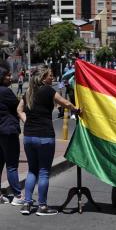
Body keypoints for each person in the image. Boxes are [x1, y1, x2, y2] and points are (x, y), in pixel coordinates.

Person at [17, 65, 79, 216]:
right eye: (50, 75)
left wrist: (27, 121)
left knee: (32, 170)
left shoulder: (29, 91)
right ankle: (42, 206)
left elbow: (19, 110)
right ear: (43, 77)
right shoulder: (49, 90)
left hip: (29, 136)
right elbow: (66, 103)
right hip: (44, 136)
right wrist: (77, 110)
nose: (53, 77)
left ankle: (27, 203)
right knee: (44, 171)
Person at [0, 61, 24, 205]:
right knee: (12, 165)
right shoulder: (5, 91)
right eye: (8, 75)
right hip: (8, 131)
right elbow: (18, 106)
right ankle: (17, 195)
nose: (10, 77)